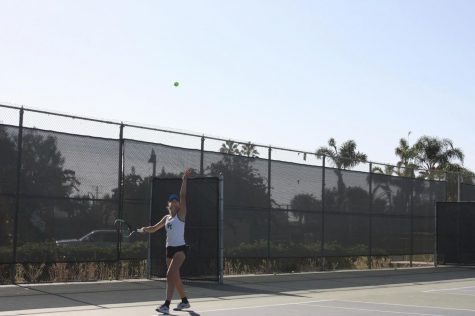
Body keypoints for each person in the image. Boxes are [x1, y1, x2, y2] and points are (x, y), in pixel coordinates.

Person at [141, 168, 192, 314]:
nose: (175, 202)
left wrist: (185, 179)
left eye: (176, 201)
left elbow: (183, 195)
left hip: (180, 249)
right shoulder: (166, 218)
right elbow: (154, 228)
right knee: (175, 278)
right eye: (172, 200)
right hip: (169, 250)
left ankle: (166, 305)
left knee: (170, 275)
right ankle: (185, 301)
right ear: (168, 204)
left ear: (178, 205)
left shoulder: (181, 215)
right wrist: (145, 229)